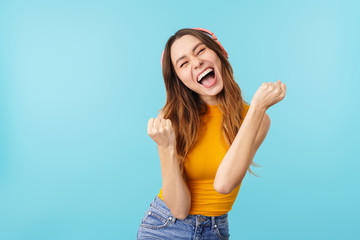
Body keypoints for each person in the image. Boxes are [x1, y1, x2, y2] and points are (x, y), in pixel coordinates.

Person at [137, 28, 286, 239]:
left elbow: (223, 184)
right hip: (165, 227)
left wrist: (257, 108)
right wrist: (166, 147)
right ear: (179, 79)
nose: (196, 62)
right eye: (184, 63)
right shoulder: (171, 119)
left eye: (200, 51)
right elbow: (179, 209)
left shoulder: (257, 118)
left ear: (219, 53)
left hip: (215, 231)